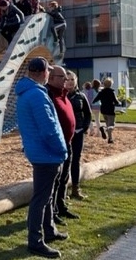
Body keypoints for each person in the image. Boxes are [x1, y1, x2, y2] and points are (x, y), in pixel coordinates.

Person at [15, 57, 68, 259]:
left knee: (47, 196)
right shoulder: (36, 95)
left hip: (42, 153)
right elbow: (49, 129)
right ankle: (35, 241)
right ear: (41, 72)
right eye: (48, 71)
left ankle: (49, 230)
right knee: (41, 198)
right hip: (47, 155)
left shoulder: (28, 92)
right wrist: (62, 150)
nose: (49, 74)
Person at [45, 65, 79, 225]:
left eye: (67, 78)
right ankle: (52, 212)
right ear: (51, 78)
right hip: (56, 145)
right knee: (55, 180)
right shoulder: (48, 95)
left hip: (68, 143)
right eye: (62, 78)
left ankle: (61, 205)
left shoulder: (64, 94)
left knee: (64, 177)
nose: (66, 81)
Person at [65, 71, 91, 200]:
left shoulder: (81, 96)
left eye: (72, 79)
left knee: (75, 160)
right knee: (64, 160)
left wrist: (84, 128)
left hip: (78, 132)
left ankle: (75, 188)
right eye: (67, 79)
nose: (69, 82)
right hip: (64, 134)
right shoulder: (60, 96)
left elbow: (88, 114)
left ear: (76, 81)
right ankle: (62, 191)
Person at [92, 77, 121, 144]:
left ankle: (110, 139)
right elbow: (115, 101)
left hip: (103, 110)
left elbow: (95, 100)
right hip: (110, 110)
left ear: (104, 84)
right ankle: (104, 129)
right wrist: (119, 103)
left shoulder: (101, 92)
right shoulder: (112, 92)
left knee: (108, 124)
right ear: (111, 85)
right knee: (112, 125)